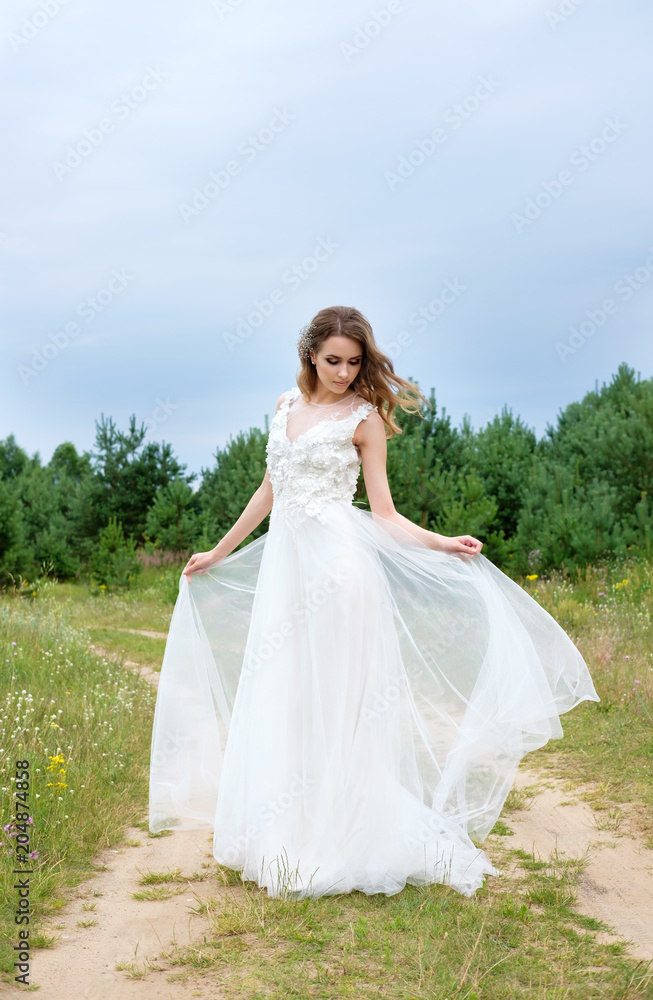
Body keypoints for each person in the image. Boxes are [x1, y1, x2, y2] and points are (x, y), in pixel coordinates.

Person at [148, 305, 599, 900]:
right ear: (310, 353)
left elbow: (383, 514)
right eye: (333, 360)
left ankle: (345, 835)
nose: (343, 371)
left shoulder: (364, 419)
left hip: (341, 575)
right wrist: (218, 551)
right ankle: (289, 829)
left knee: (340, 702)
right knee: (289, 695)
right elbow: (269, 490)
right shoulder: (285, 406)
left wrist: (441, 542)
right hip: (289, 576)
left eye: (354, 362)